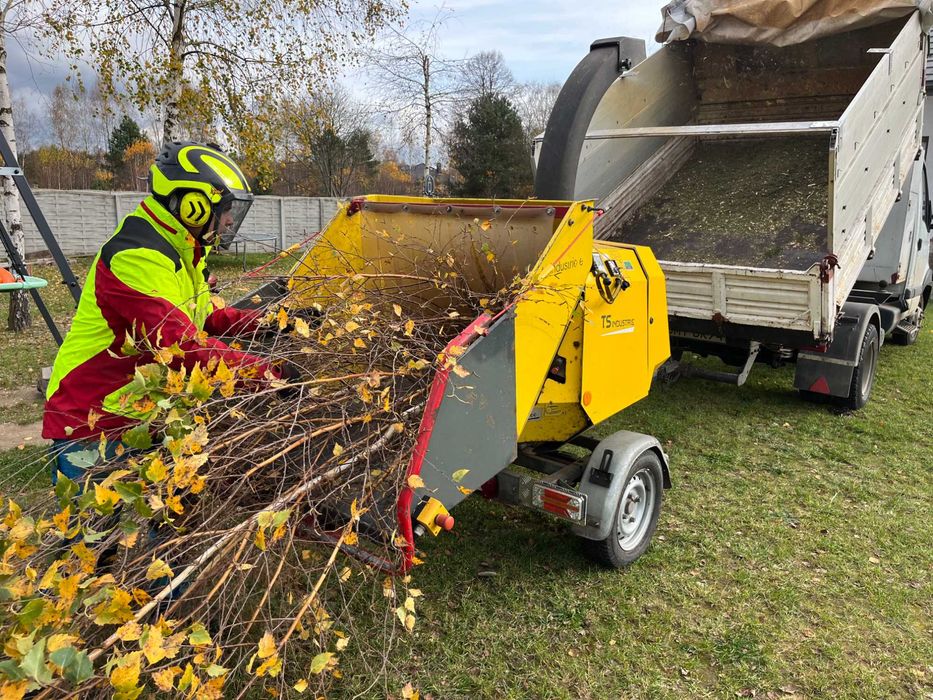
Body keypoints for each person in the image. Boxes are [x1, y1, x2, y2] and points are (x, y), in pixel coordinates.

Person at [43, 142, 287, 481]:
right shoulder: (137, 256)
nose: (230, 220)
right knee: (100, 515)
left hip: (142, 413)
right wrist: (267, 374)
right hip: (93, 419)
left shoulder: (184, 250)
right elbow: (180, 346)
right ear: (193, 206)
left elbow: (206, 317)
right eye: (225, 209)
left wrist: (273, 323)